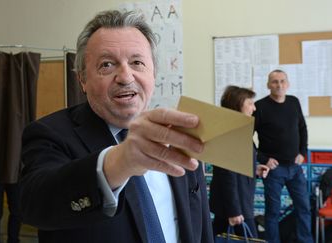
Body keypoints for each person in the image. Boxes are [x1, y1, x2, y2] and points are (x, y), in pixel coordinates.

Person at [19, 10, 213, 243]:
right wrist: (121, 161)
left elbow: (200, 228)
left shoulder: (179, 136)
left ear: (154, 73)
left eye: (137, 62)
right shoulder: (49, 134)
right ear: (82, 79)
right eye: (107, 65)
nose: (125, 76)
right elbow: (36, 204)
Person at [254, 69, 313, 243]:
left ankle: (306, 240)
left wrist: (303, 152)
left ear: (287, 84)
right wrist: (263, 159)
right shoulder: (260, 107)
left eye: (282, 81)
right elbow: (245, 137)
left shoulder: (294, 102)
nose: (279, 85)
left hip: (295, 168)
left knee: (304, 208)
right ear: (268, 85)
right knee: (272, 211)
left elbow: (302, 128)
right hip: (274, 171)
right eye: (274, 81)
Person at [209, 85, 269, 238]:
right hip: (235, 205)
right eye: (250, 103)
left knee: (218, 236)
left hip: (237, 202)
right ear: (238, 104)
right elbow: (227, 174)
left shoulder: (238, 129)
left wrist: (254, 169)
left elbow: (236, 167)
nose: (254, 108)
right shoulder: (230, 133)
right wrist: (234, 210)